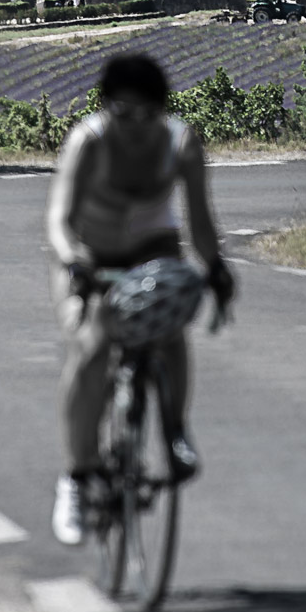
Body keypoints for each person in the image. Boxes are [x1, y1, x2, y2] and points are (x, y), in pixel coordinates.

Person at [45, 50, 236, 547]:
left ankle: (175, 431)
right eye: (122, 112)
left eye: (147, 113)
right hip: (92, 253)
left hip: (153, 249)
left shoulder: (180, 143)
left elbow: (199, 222)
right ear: (107, 107)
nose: (134, 124)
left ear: (163, 109)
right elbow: (61, 218)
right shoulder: (89, 141)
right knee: (90, 350)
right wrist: (74, 261)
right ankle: (77, 476)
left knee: (168, 326)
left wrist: (215, 269)